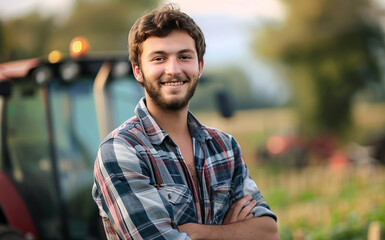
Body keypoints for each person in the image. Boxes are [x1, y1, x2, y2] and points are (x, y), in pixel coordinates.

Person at [92, 4, 279, 240]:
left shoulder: (224, 147)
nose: (173, 69)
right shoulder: (122, 150)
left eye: (184, 57)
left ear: (199, 67)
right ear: (138, 71)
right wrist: (234, 232)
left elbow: (268, 233)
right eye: (159, 58)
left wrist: (200, 233)